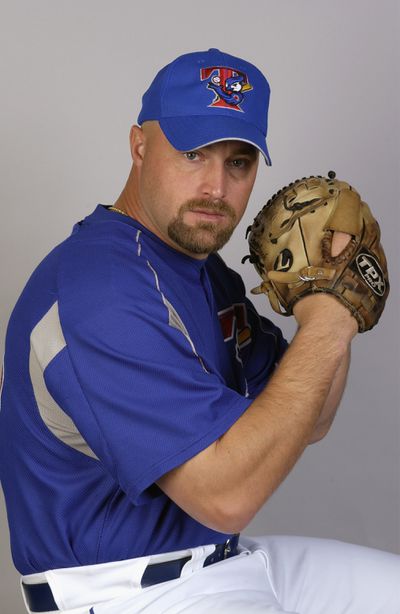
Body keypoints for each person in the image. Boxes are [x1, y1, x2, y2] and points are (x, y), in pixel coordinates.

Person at [0, 48, 398, 614]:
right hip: (129, 592)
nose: (216, 186)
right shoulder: (101, 287)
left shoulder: (200, 272)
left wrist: (333, 301)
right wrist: (332, 317)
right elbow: (227, 494)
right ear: (139, 146)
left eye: (237, 162)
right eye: (192, 152)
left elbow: (310, 418)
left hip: (221, 560)